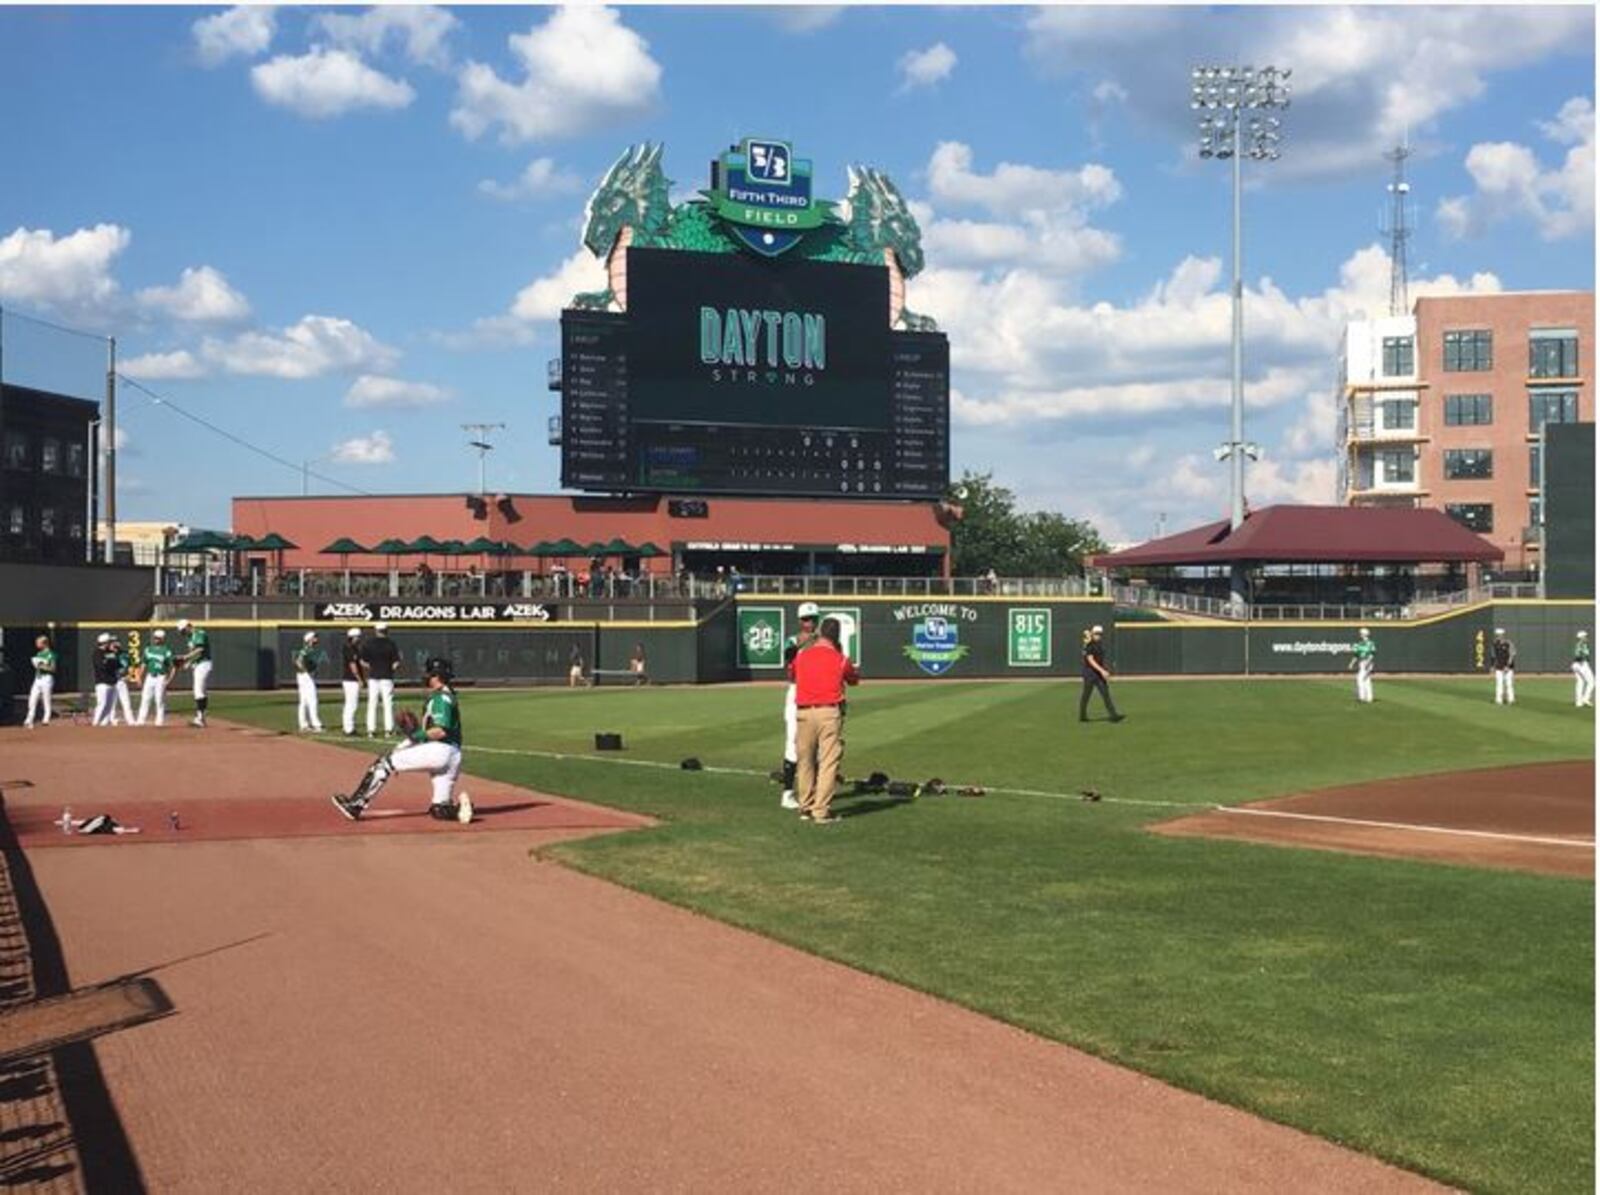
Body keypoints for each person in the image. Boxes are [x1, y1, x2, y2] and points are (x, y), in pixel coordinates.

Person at [332, 656, 472, 825]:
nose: (426, 677)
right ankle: (461, 810)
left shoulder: (440, 698)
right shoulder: (447, 696)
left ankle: (355, 805)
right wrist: (403, 747)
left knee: (383, 764)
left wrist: (416, 736)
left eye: (429, 673)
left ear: (436, 676)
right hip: (453, 756)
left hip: (439, 751)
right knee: (439, 809)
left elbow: (440, 731)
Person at [789, 616, 859, 825]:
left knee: (805, 761)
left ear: (819, 633)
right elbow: (854, 679)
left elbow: (791, 674)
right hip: (828, 712)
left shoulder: (802, 656)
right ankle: (820, 811)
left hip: (803, 712)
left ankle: (805, 807)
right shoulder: (840, 658)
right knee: (828, 762)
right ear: (837, 636)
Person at [779, 602, 822, 810]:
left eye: (813, 619)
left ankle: (814, 791)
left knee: (819, 746)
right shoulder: (793, 640)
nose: (810, 623)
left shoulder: (824, 642)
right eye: (806, 619)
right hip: (797, 692)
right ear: (800, 621)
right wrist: (799, 643)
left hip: (818, 694)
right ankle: (788, 793)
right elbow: (786, 656)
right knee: (793, 743)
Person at [360, 621, 401, 737]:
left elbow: (363, 661)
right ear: (386, 630)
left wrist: (372, 667)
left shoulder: (369, 643)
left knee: (372, 703)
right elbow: (396, 663)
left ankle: (370, 730)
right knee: (388, 704)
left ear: (376, 630)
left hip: (373, 676)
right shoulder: (391, 644)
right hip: (386, 676)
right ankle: (389, 730)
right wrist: (390, 668)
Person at [1079, 625, 1124, 723]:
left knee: (1105, 694)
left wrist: (1101, 671)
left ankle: (1113, 716)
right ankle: (1082, 716)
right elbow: (1091, 660)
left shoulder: (1098, 644)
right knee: (1086, 695)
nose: (1098, 635)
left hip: (1098, 674)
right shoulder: (1089, 645)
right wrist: (1102, 671)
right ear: (1093, 633)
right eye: (1096, 633)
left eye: (1100, 634)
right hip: (1089, 673)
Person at [177, 618, 213, 727]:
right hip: (198, 664)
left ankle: (200, 718)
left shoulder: (199, 633)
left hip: (204, 664)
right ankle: (201, 717)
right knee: (201, 690)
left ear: (188, 626)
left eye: (183, 630)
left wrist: (185, 657)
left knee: (198, 690)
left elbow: (200, 649)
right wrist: (188, 663)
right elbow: (194, 653)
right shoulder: (190, 638)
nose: (183, 633)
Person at [136, 629, 176, 726]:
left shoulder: (166, 651)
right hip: (150, 676)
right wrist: (139, 677)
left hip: (161, 677)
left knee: (159, 700)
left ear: (163, 639)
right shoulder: (148, 649)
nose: (156, 640)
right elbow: (143, 664)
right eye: (155, 638)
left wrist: (169, 679)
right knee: (145, 698)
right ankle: (141, 720)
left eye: (158, 638)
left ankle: (159, 721)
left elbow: (173, 667)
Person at [295, 631, 325, 733]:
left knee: (303, 701)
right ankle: (316, 725)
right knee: (312, 700)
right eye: (315, 637)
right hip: (305, 676)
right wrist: (306, 671)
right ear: (310, 639)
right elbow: (298, 661)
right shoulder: (307, 649)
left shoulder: (308, 649)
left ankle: (303, 725)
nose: (317, 639)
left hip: (302, 676)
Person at [23, 634, 55, 728]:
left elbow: (53, 668)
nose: (36, 644)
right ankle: (29, 719)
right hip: (38, 678)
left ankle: (46, 719)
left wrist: (42, 666)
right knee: (32, 698)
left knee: (46, 699)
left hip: (47, 678)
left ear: (44, 644)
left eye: (38, 643)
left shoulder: (51, 654)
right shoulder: (39, 654)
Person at [340, 627, 367, 735]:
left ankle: (348, 726)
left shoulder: (354, 648)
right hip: (350, 680)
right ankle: (348, 728)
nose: (359, 639)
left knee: (351, 704)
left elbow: (360, 663)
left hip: (351, 680)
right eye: (358, 637)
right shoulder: (349, 648)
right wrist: (359, 679)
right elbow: (353, 665)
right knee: (351, 704)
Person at [91, 633, 121, 727]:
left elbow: (117, 664)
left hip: (112, 681)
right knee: (102, 704)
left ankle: (104, 725)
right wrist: (110, 662)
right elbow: (101, 666)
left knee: (109, 706)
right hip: (102, 682)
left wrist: (112, 658)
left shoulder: (111, 652)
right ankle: (95, 723)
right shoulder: (97, 653)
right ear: (104, 643)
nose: (110, 644)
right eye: (108, 642)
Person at [108, 636, 135, 726]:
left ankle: (130, 720)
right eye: (113, 642)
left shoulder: (125, 654)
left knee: (126, 701)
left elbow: (131, 666)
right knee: (112, 702)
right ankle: (112, 719)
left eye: (116, 642)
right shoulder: (108, 655)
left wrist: (129, 675)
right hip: (112, 681)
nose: (115, 644)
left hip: (122, 681)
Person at [1348, 627, 1376, 704]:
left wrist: (1368, 662)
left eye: (1361, 634)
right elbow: (1356, 655)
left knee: (1360, 679)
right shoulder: (1359, 644)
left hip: (1368, 663)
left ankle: (1361, 697)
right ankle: (1369, 698)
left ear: (1364, 634)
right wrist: (1351, 663)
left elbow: (1372, 654)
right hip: (1361, 663)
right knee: (1367, 680)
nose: (1360, 635)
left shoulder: (1370, 643)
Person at [1490, 627, 1517, 705]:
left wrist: (1507, 666)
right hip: (1499, 667)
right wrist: (1492, 666)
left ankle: (1511, 699)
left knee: (1509, 683)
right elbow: (1493, 656)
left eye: (1500, 635)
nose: (1499, 636)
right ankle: (1498, 700)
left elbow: (1512, 655)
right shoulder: (1494, 644)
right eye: (1497, 635)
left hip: (1508, 668)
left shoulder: (1508, 643)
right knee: (1499, 683)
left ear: (1503, 635)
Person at [1572, 630, 1594, 708]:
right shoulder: (1582, 644)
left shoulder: (1578, 644)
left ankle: (1578, 702)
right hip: (1582, 664)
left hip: (1575, 665)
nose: (1586, 637)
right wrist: (1582, 661)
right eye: (1585, 636)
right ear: (1581, 637)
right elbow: (1580, 655)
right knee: (1591, 682)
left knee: (1580, 682)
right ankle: (1586, 699)